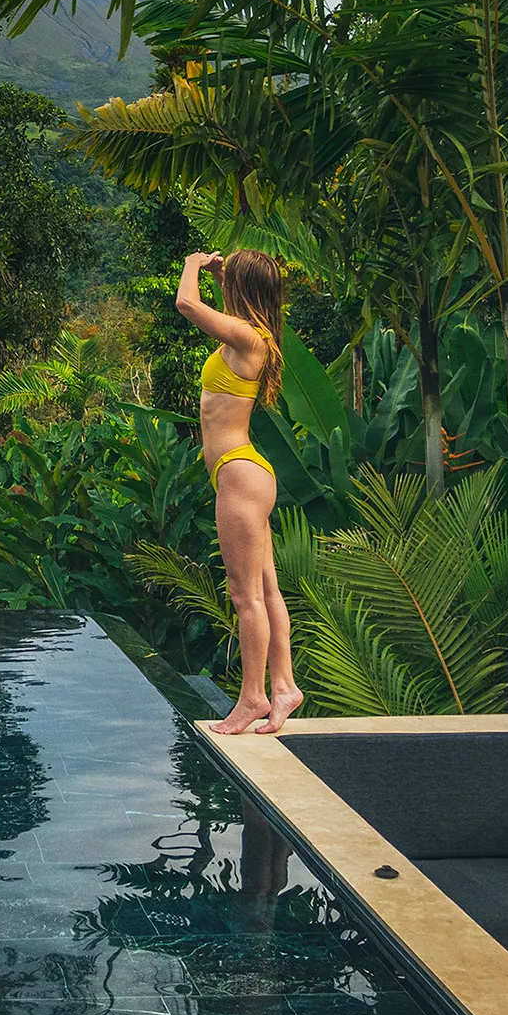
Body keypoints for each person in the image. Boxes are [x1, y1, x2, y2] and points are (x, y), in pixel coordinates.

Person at [178, 248, 300, 735]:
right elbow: (226, 303)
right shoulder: (253, 334)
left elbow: (187, 306)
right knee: (266, 590)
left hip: (238, 474)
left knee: (244, 594)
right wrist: (226, 272)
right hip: (244, 473)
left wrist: (192, 264)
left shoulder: (249, 337)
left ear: (242, 289)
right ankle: (284, 685)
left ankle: (251, 698)